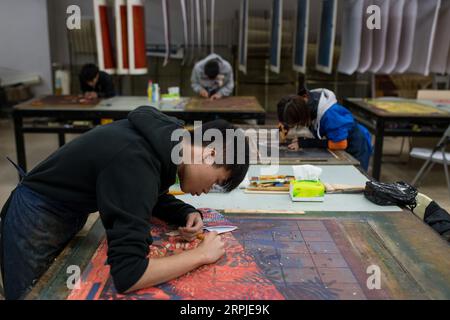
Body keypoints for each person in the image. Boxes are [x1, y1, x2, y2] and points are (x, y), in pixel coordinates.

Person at [0, 106, 250, 299]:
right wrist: (201, 255)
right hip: (34, 221)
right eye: (216, 182)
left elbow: (144, 191)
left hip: (59, 211)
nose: (208, 191)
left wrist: (184, 212)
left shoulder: (165, 139)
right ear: (210, 153)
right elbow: (129, 274)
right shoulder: (135, 160)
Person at [277, 88, 373, 171]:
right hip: (338, 137)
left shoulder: (330, 115)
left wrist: (305, 143)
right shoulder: (303, 101)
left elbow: (340, 144)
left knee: (355, 177)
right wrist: (282, 134)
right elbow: (288, 114)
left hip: (356, 145)